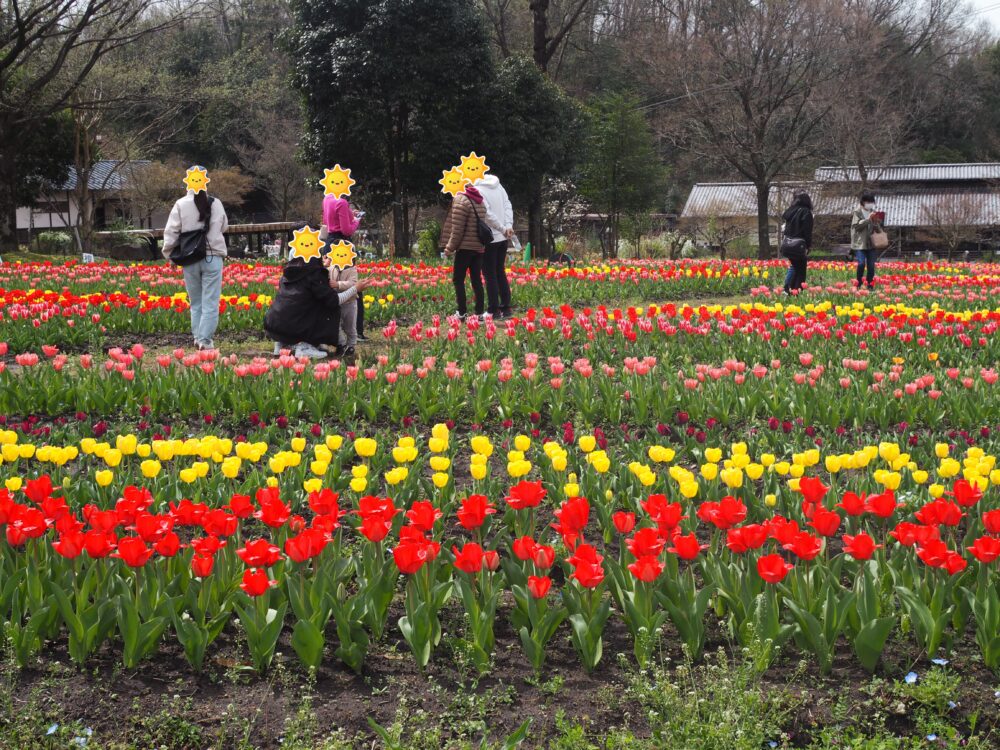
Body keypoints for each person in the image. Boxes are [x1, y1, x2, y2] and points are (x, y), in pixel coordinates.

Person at [162, 185, 229, 350]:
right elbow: (224, 226)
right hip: (212, 257)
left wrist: (169, 254)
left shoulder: (180, 204)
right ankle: (205, 341)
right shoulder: (216, 203)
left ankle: (198, 337)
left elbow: (171, 232)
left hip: (190, 257)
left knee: (196, 302)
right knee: (210, 302)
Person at [264, 256, 369, 359]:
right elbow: (334, 300)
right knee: (327, 307)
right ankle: (306, 346)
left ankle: (282, 344)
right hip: (297, 325)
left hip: (274, 323)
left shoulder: (289, 273)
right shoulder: (314, 275)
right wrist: (355, 288)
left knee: (295, 306)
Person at [439, 184, 501, 319]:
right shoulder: (479, 200)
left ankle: (461, 312)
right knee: (476, 280)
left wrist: (449, 248)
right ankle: (479, 314)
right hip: (479, 248)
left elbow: (457, 230)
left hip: (465, 249)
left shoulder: (461, 200)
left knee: (458, 280)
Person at [322, 190, 368, 339]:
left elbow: (331, 219)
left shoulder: (327, 198)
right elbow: (347, 229)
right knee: (353, 284)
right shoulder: (342, 202)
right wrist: (357, 219)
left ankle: (331, 329)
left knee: (328, 284)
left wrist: (350, 214)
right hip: (342, 244)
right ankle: (356, 331)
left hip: (329, 243)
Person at [474, 174, 514, 318]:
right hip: (504, 237)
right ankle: (506, 307)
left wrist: (502, 228)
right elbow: (508, 206)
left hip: (490, 237)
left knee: (489, 274)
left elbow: (487, 214)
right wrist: (508, 226)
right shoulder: (499, 186)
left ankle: (493, 310)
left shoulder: (477, 189)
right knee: (500, 271)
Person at [780, 191, 813, 294]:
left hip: (787, 245)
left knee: (795, 267)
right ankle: (794, 290)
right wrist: (808, 246)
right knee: (800, 270)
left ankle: (789, 289)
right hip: (798, 245)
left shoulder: (790, 211)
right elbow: (807, 231)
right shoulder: (806, 212)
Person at [328, 255, 359, 363]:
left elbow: (353, 284)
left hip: (350, 302)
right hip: (337, 303)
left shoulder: (352, 270)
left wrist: (338, 284)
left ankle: (351, 345)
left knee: (350, 326)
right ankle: (341, 344)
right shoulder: (332, 268)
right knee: (336, 325)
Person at [850, 191, 879, 289]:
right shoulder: (857, 212)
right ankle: (858, 283)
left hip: (871, 243)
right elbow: (856, 226)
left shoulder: (873, 212)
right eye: (868, 202)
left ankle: (870, 285)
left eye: (872, 202)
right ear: (863, 202)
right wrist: (868, 220)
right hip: (860, 244)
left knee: (871, 265)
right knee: (861, 263)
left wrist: (876, 222)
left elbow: (878, 229)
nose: (870, 204)